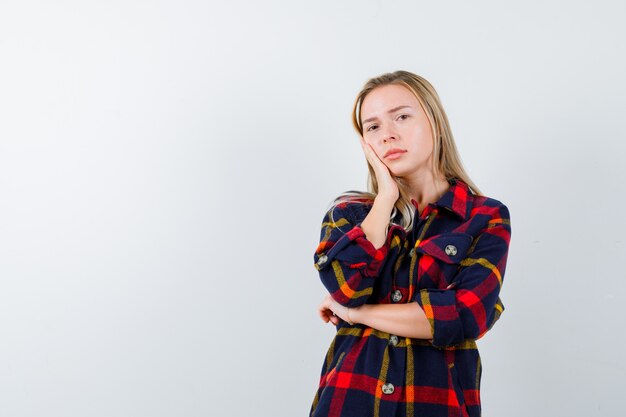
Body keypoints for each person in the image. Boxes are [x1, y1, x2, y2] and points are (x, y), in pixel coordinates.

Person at [309, 70, 512, 417]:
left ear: (434, 121)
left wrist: (355, 315)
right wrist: (385, 197)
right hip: (348, 403)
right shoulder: (350, 215)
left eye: (402, 116)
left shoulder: (484, 216)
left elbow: (464, 316)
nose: (388, 134)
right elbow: (348, 289)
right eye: (372, 127)